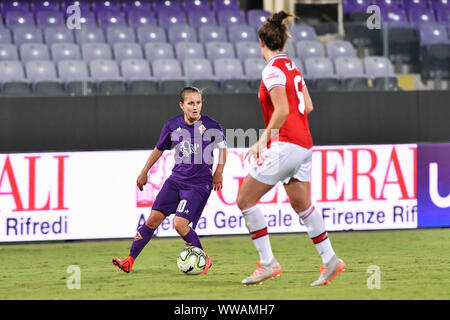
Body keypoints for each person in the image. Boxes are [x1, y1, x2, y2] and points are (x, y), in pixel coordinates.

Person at [236, 11, 346, 286]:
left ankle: (267, 264)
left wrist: (262, 141)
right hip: (305, 144)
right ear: (282, 42)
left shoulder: (271, 70)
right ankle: (331, 261)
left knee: (245, 200)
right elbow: (307, 106)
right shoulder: (293, 69)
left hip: (286, 144)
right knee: (302, 205)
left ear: (261, 41)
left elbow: (283, 109)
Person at [113, 86, 227, 274]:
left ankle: (203, 258)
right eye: (191, 103)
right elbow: (159, 149)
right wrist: (144, 171)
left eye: (198, 102)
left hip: (199, 184)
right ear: (182, 105)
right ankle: (129, 260)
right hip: (176, 181)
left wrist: (219, 171)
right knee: (152, 220)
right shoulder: (172, 125)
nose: (195, 107)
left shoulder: (211, 125)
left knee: (179, 224)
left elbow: (223, 148)